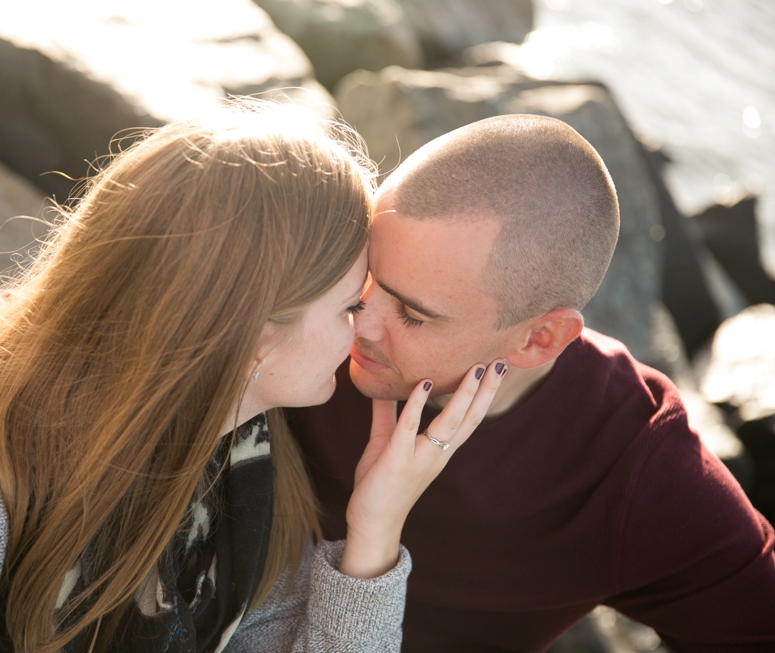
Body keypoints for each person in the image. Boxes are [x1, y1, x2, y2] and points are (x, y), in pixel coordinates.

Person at [0, 103, 505, 653]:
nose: (368, 330)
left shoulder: (239, 475)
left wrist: (374, 532)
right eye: (353, 304)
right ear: (253, 328)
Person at [289, 114, 775, 652]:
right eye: (365, 276)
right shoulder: (302, 303)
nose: (359, 319)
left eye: (411, 313)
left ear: (539, 339)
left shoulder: (630, 465)